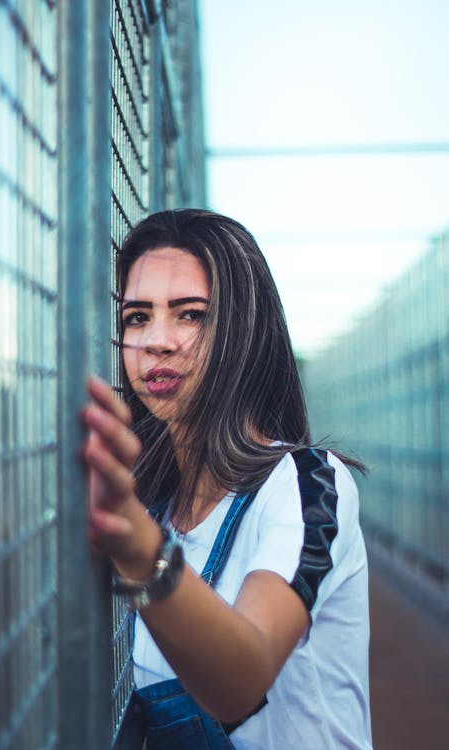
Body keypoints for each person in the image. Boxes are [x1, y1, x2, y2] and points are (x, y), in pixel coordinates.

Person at [83, 209, 373, 749]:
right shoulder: (151, 509)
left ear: (241, 330)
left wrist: (138, 548)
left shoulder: (303, 484)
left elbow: (242, 681)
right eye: (137, 318)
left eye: (190, 315)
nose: (157, 341)